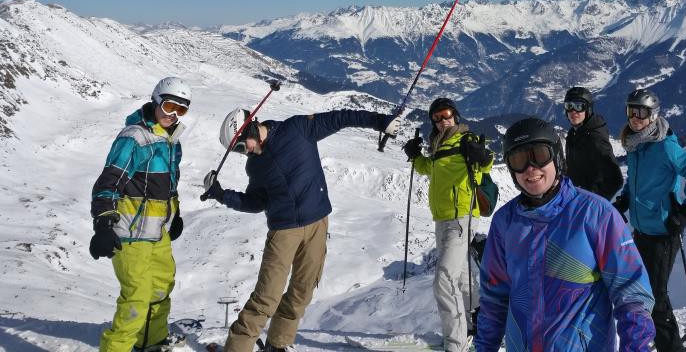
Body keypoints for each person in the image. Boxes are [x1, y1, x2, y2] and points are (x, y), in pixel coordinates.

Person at [202, 105, 402, 352]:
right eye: (239, 150)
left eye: (243, 145)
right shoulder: (255, 166)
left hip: (317, 223)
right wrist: (222, 195)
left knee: (302, 291)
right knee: (267, 296)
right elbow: (256, 203)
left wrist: (381, 121)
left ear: (251, 126)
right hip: (283, 232)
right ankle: (237, 348)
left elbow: (342, 118)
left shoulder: (297, 129)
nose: (246, 152)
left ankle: (278, 344)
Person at [475, 117, 657, 352]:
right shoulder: (505, 223)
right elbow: (493, 301)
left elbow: (631, 293)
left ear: (557, 157)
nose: (531, 168)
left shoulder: (596, 214)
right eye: (519, 160)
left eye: (539, 155)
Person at [90, 76, 193, 352]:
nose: (173, 115)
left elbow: (168, 186)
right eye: (169, 106)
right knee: (136, 297)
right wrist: (102, 224)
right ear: (156, 101)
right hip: (130, 232)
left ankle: (151, 342)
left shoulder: (171, 142)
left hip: (157, 231)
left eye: (181, 110)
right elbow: (109, 182)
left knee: (161, 287)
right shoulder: (134, 137)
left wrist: (176, 214)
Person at [614, 88, 686, 352]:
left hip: (664, 233)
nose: (635, 117)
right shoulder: (635, 144)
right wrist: (624, 199)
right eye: (631, 111)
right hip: (642, 231)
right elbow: (635, 182)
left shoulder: (666, 147)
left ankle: (671, 348)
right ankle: (658, 338)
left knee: (656, 295)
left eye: (641, 112)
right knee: (641, 291)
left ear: (653, 115)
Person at [402, 97, 493, 352]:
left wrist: (482, 155)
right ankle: (476, 321)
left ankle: (456, 343)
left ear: (455, 115)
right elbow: (429, 169)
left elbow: (486, 161)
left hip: (462, 218)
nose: (443, 121)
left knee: (444, 277)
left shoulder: (466, 140)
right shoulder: (439, 145)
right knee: (461, 276)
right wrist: (415, 156)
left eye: (446, 115)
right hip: (443, 219)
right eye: (437, 118)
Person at [562, 86, 623, 200]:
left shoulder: (595, 138)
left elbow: (615, 180)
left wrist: (592, 200)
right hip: (574, 200)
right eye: (569, 106)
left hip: (588, 205)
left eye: (579, 106)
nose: (573, 111)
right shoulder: (574, 134)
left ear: (588, 109)